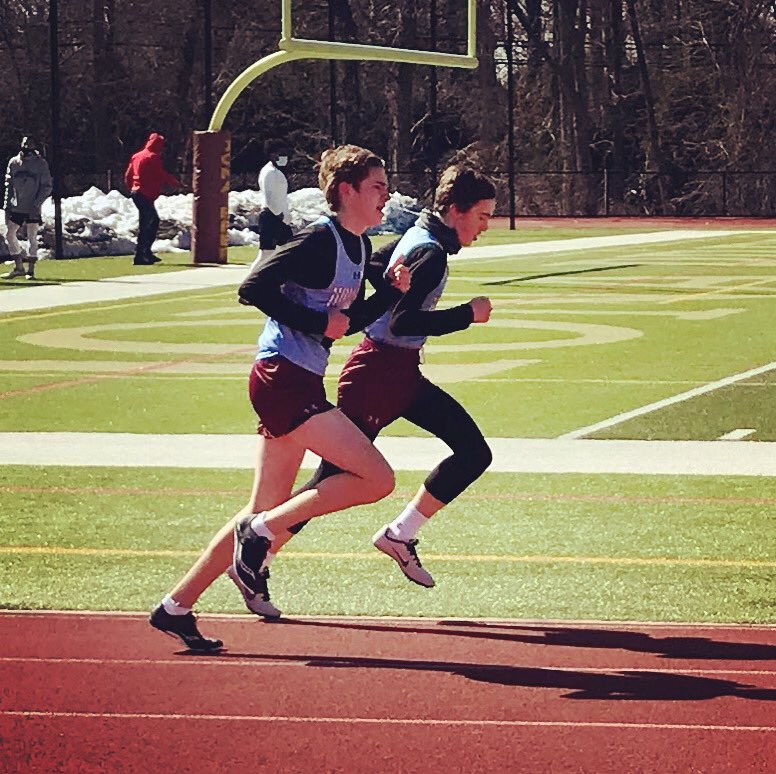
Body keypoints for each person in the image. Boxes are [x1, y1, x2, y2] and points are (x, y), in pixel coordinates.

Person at [149, 144, 407, 651]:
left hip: (299, 377)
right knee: (377, 479)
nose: (386, 194)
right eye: (378, 186)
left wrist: (391, 294)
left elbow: (344, 324)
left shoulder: (356, 248)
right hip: (280, 376)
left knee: (260, 506)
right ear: (347, 191)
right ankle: (264, 531)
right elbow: (253, 287)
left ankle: (175, 606)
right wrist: (315, 322)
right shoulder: (318, 239)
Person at [253, 163, 496, 593]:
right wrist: (467, 315)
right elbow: (403, 323)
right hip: (377, 377)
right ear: (456, 211)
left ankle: (399, 534)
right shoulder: (432, 251)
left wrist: (384, 284)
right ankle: (260, 548)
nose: (485, 227)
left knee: (474, 452)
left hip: (399, 375)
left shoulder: (421, 236)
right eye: (482, 216)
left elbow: (377, 263)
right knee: (329, 482)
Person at [123, 132, 182, 266]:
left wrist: (131, 187)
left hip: (137, 192)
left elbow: (128, 175)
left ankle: (144, 253)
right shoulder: (152, 157)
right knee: (150, 223)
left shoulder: (136, 156)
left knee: (147, 222)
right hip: (145, 194)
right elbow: (161, 174)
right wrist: (176, 183)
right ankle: (142, 254)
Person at [2, 136, 52, 280]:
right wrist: (7, 206)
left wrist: (37, 204)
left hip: (32, 206)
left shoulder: (41, 164)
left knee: (32, 237)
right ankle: (19, 266)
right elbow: (9, 186)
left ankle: (30, 270)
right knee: (10, 234)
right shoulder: (14, 163)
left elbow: (47, 186)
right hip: (17, 206)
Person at [249, 139, 294, 271]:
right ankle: (251, 280)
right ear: (271, 155)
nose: (283, 156)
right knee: (266, 254)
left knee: (290, 250)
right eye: (279, 154)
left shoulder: (275, 171)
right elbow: (270, 199)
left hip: (278, 218)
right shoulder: (269, 172)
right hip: (272, 217)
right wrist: (280, 215)